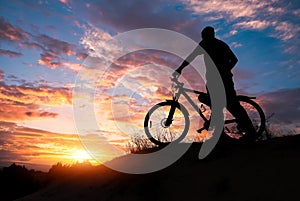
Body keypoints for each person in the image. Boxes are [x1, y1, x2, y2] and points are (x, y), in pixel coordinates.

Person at [173, 26, 256, 140]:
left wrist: (225, 70)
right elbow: (191, 57)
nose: (203, 39)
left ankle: (250, 131)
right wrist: (180, 68)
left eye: (205, 37)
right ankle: (219, 134)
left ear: (211, 35)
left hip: (225, 79)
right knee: (213, 104)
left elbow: (234, 59)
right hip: (212, 79)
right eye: (203, 37)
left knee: (232, 103)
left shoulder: (221, 45)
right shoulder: (204, 45)